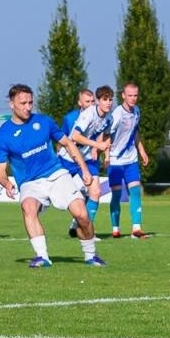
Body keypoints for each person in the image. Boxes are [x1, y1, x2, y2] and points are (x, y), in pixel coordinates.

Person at [0, 83, 106, 268]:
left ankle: (91, 255)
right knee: (28, 207)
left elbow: (68, 143)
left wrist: (84, 169)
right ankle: (42, 257)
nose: (28, 107)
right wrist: (5, 183)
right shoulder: (3, 135)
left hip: (56, 175)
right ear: (11, 104)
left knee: (82, 215)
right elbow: (0, 169)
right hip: (30, 183)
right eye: (23, 103)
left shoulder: (44, 122)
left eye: (30, 102)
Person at [60, 87, 114, 237]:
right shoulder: (88, 114)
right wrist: (97, 145)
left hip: (88, 159)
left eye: (110, 100)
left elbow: (106, 136)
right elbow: (75, 137)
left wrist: (106, 154)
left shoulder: (109, 118)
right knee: (58, 195)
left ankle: (86, 231)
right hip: (69, 157)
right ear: (98, 101)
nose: (108, 103)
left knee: (95, 192)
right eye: (105, 99)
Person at [105, 82, 150, 239]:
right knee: (116, 195)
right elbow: (106, 136)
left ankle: (136, 229)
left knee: (135, 191)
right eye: (129, 95)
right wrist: (105, 155)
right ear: (123, 95)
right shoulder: (117, 114)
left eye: (135, 95)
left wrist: (142, 151)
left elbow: (135, 132)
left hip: (131, 159)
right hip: (116, 161)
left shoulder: (137, 111)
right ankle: (115, 229)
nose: (133, 98)